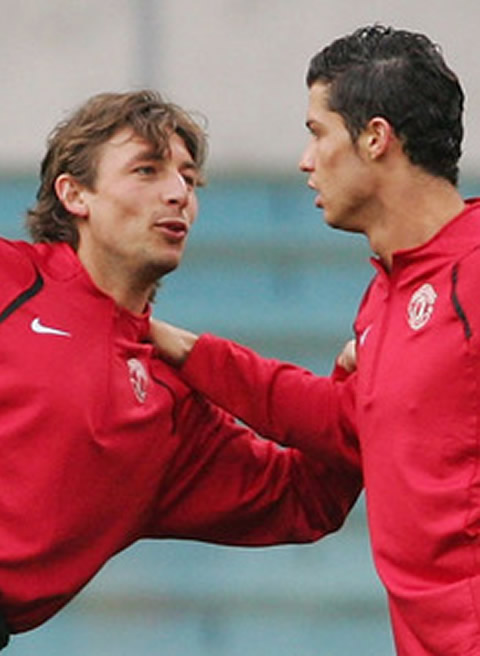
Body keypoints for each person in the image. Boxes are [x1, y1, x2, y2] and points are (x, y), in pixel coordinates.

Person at [151, 25, 480, 656]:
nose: (306, 160)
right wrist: (186, 350)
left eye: (317, 132)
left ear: (375, 138)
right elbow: (350, 425)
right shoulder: (385, 292)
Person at [0, 90, 363, 649]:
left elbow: (306, 496)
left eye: (189, 180)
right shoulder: (13, 282)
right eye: (146, 170)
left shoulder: (169, 407)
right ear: (74, 194)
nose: (177, 194)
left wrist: (359, 387)